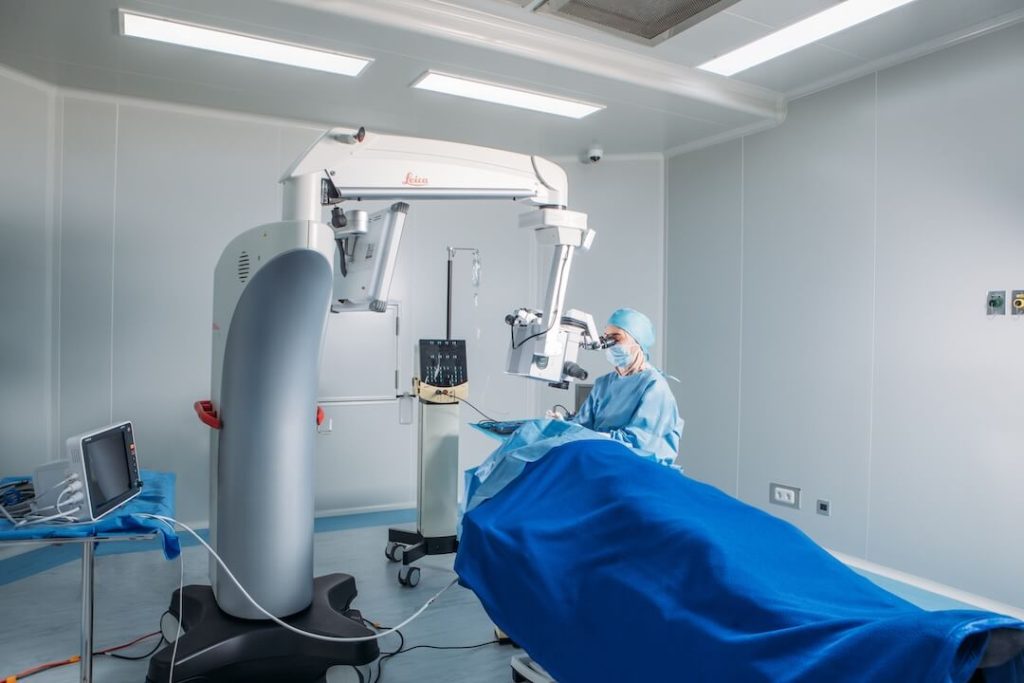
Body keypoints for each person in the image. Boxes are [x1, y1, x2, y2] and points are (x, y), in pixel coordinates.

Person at [557, 308, 683, 465]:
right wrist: (563, 426)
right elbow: (583, 427)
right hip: (601, 459)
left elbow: (643, 443)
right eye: (606, 337)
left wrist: (599, 439)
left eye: (616, 337)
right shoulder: (603, 384)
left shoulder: (654, 386)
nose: (608, 344)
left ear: (638, 342)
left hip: (638, 465)